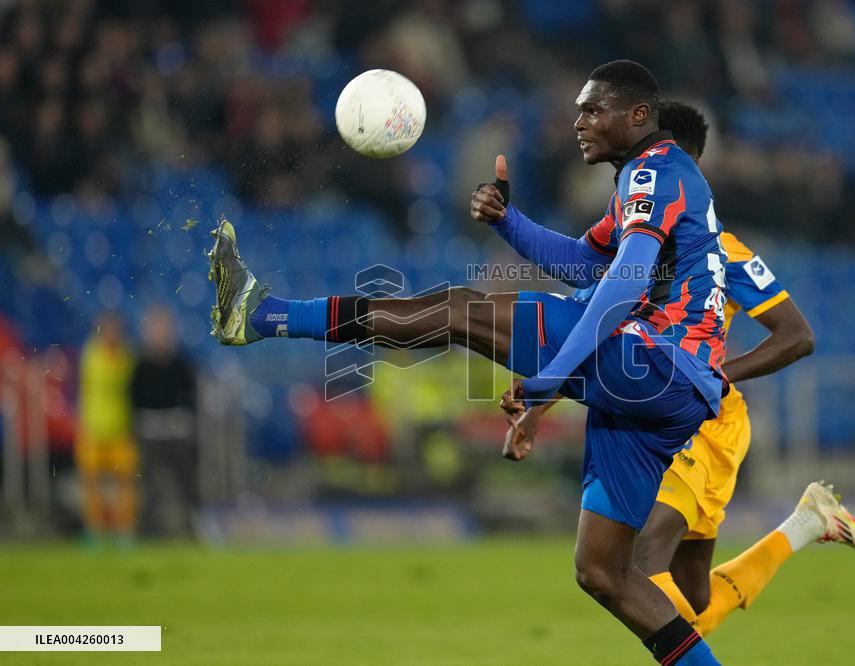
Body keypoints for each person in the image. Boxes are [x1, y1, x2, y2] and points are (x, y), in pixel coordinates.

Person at [210, 60, 723, 664]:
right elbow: (587, 267)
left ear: (638, 116)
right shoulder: (647, 179)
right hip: (671, 389)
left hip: (657, 360)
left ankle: (263, 314)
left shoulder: (655, 172)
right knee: (603, 572)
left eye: (592, 109)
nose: (578, 121)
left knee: (458, 312)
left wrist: (551, 380)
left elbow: (623, 282)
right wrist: (509, 222)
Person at [503, 100, 855, 637]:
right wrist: (540, 407)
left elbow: (798, 335)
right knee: (693, 600)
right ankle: (807, 523)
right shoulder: (631, 242)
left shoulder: (720, 249)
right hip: (661, 405)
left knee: (642, 562)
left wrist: (722, 374)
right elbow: (599, 334)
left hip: (703, 422)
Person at [130, 305, 199, 538]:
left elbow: (191, 398)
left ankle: (190, 529)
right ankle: (147, 530)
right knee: (149, 487)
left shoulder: (181, 364)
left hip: (177, 432)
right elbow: (133, 399)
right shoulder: (140, 366)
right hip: (150, 432)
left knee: (186, 485)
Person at [75, 311, 137, 543]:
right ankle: (95, 530)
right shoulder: (92, 355)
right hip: (93, 428)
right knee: (92, 483)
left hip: (121, 428)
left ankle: (123, 530)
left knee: (125, 483)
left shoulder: (127, 356)